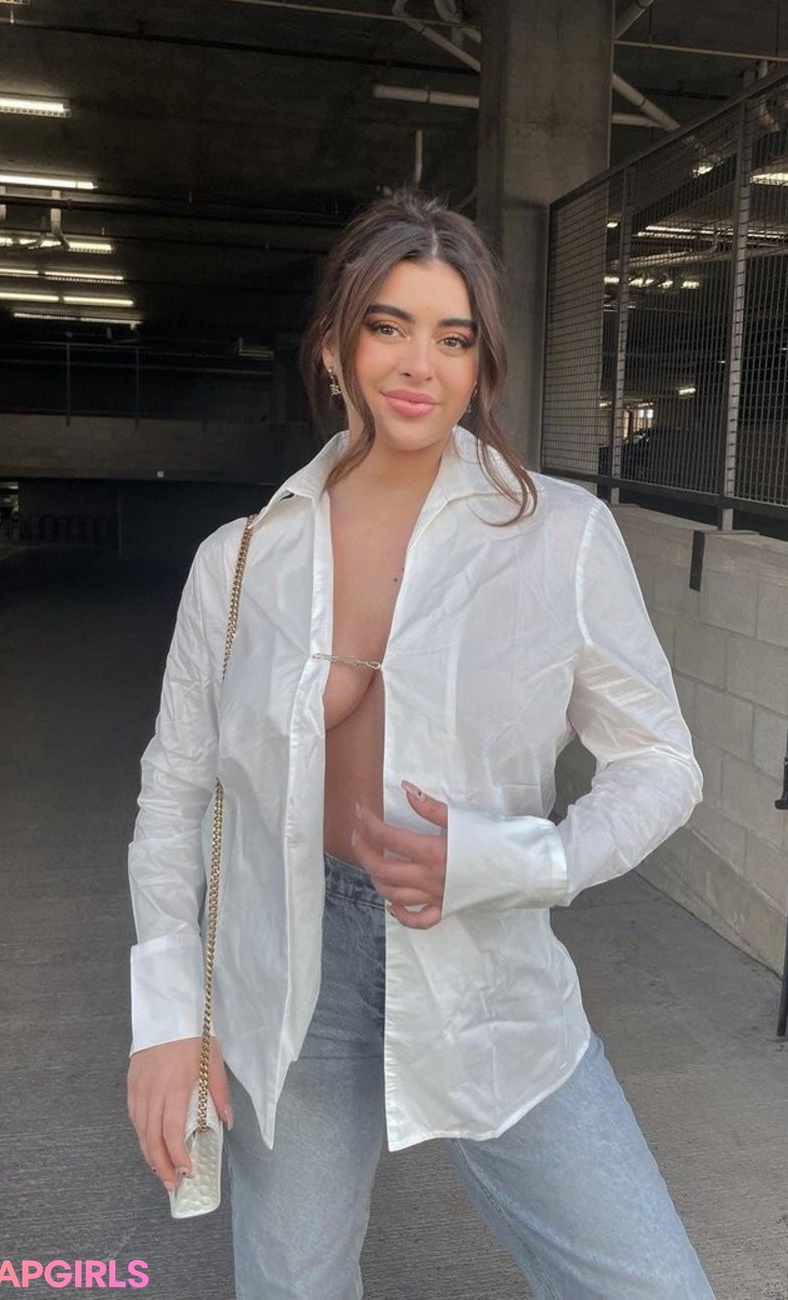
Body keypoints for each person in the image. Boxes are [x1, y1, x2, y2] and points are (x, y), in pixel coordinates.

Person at [126, 189, 716, 1300]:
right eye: (388, 326)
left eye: (453, 337)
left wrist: (524, 860)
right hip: (290, 976)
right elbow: (175, 794)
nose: (418, 364)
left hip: (489, 969)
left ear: (482, 364)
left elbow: (661, 764)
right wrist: (166, 1020)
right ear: (334, 347)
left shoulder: (558, 537)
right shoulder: (241, 560)